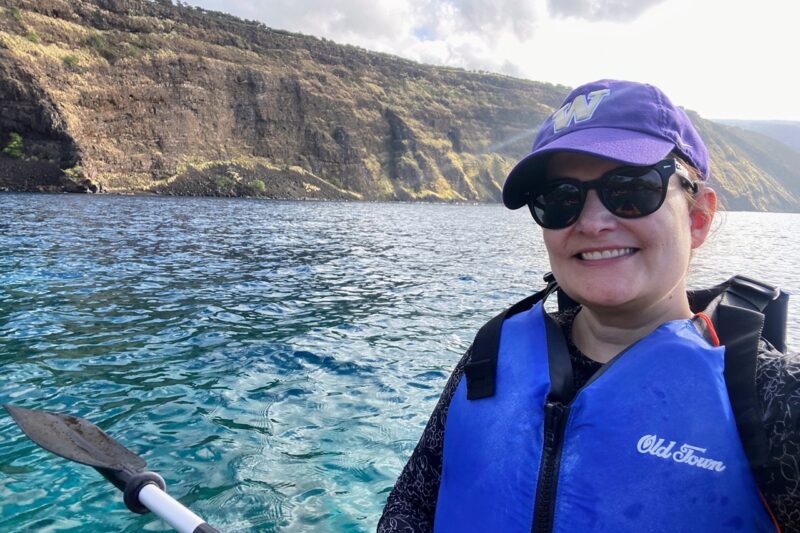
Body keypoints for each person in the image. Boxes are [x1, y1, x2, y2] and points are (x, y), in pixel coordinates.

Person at [378, 80, 800, 532]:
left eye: (632, 189)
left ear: (697, 218)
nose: (594, 223)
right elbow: (408, 514)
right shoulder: (490, 359)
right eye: (560, 199)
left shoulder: (776, 397)